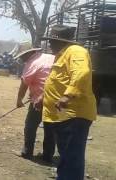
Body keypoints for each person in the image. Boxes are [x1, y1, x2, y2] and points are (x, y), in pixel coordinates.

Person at [42, 24, 97, 180]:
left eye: (52, 41)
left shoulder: (76, 51)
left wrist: (67, 96)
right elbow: (58, 80)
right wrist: (43, 96)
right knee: (66, 156)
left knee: (71, 158)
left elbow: (82, 73)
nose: (50, 44)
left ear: (62, 41)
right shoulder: (63, 54)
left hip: (74, 115)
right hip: (64, 115)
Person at [15, 48, 56, 162]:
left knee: (30, 126)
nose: (21, 59)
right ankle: (48, 156)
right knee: (50, 128)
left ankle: (27, 152)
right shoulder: (50, 57)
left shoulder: (32, 63)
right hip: (55, 98)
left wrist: (19, 100)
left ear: (28, 53)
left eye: (21, 56)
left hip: (40, 101)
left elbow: (24, 83)